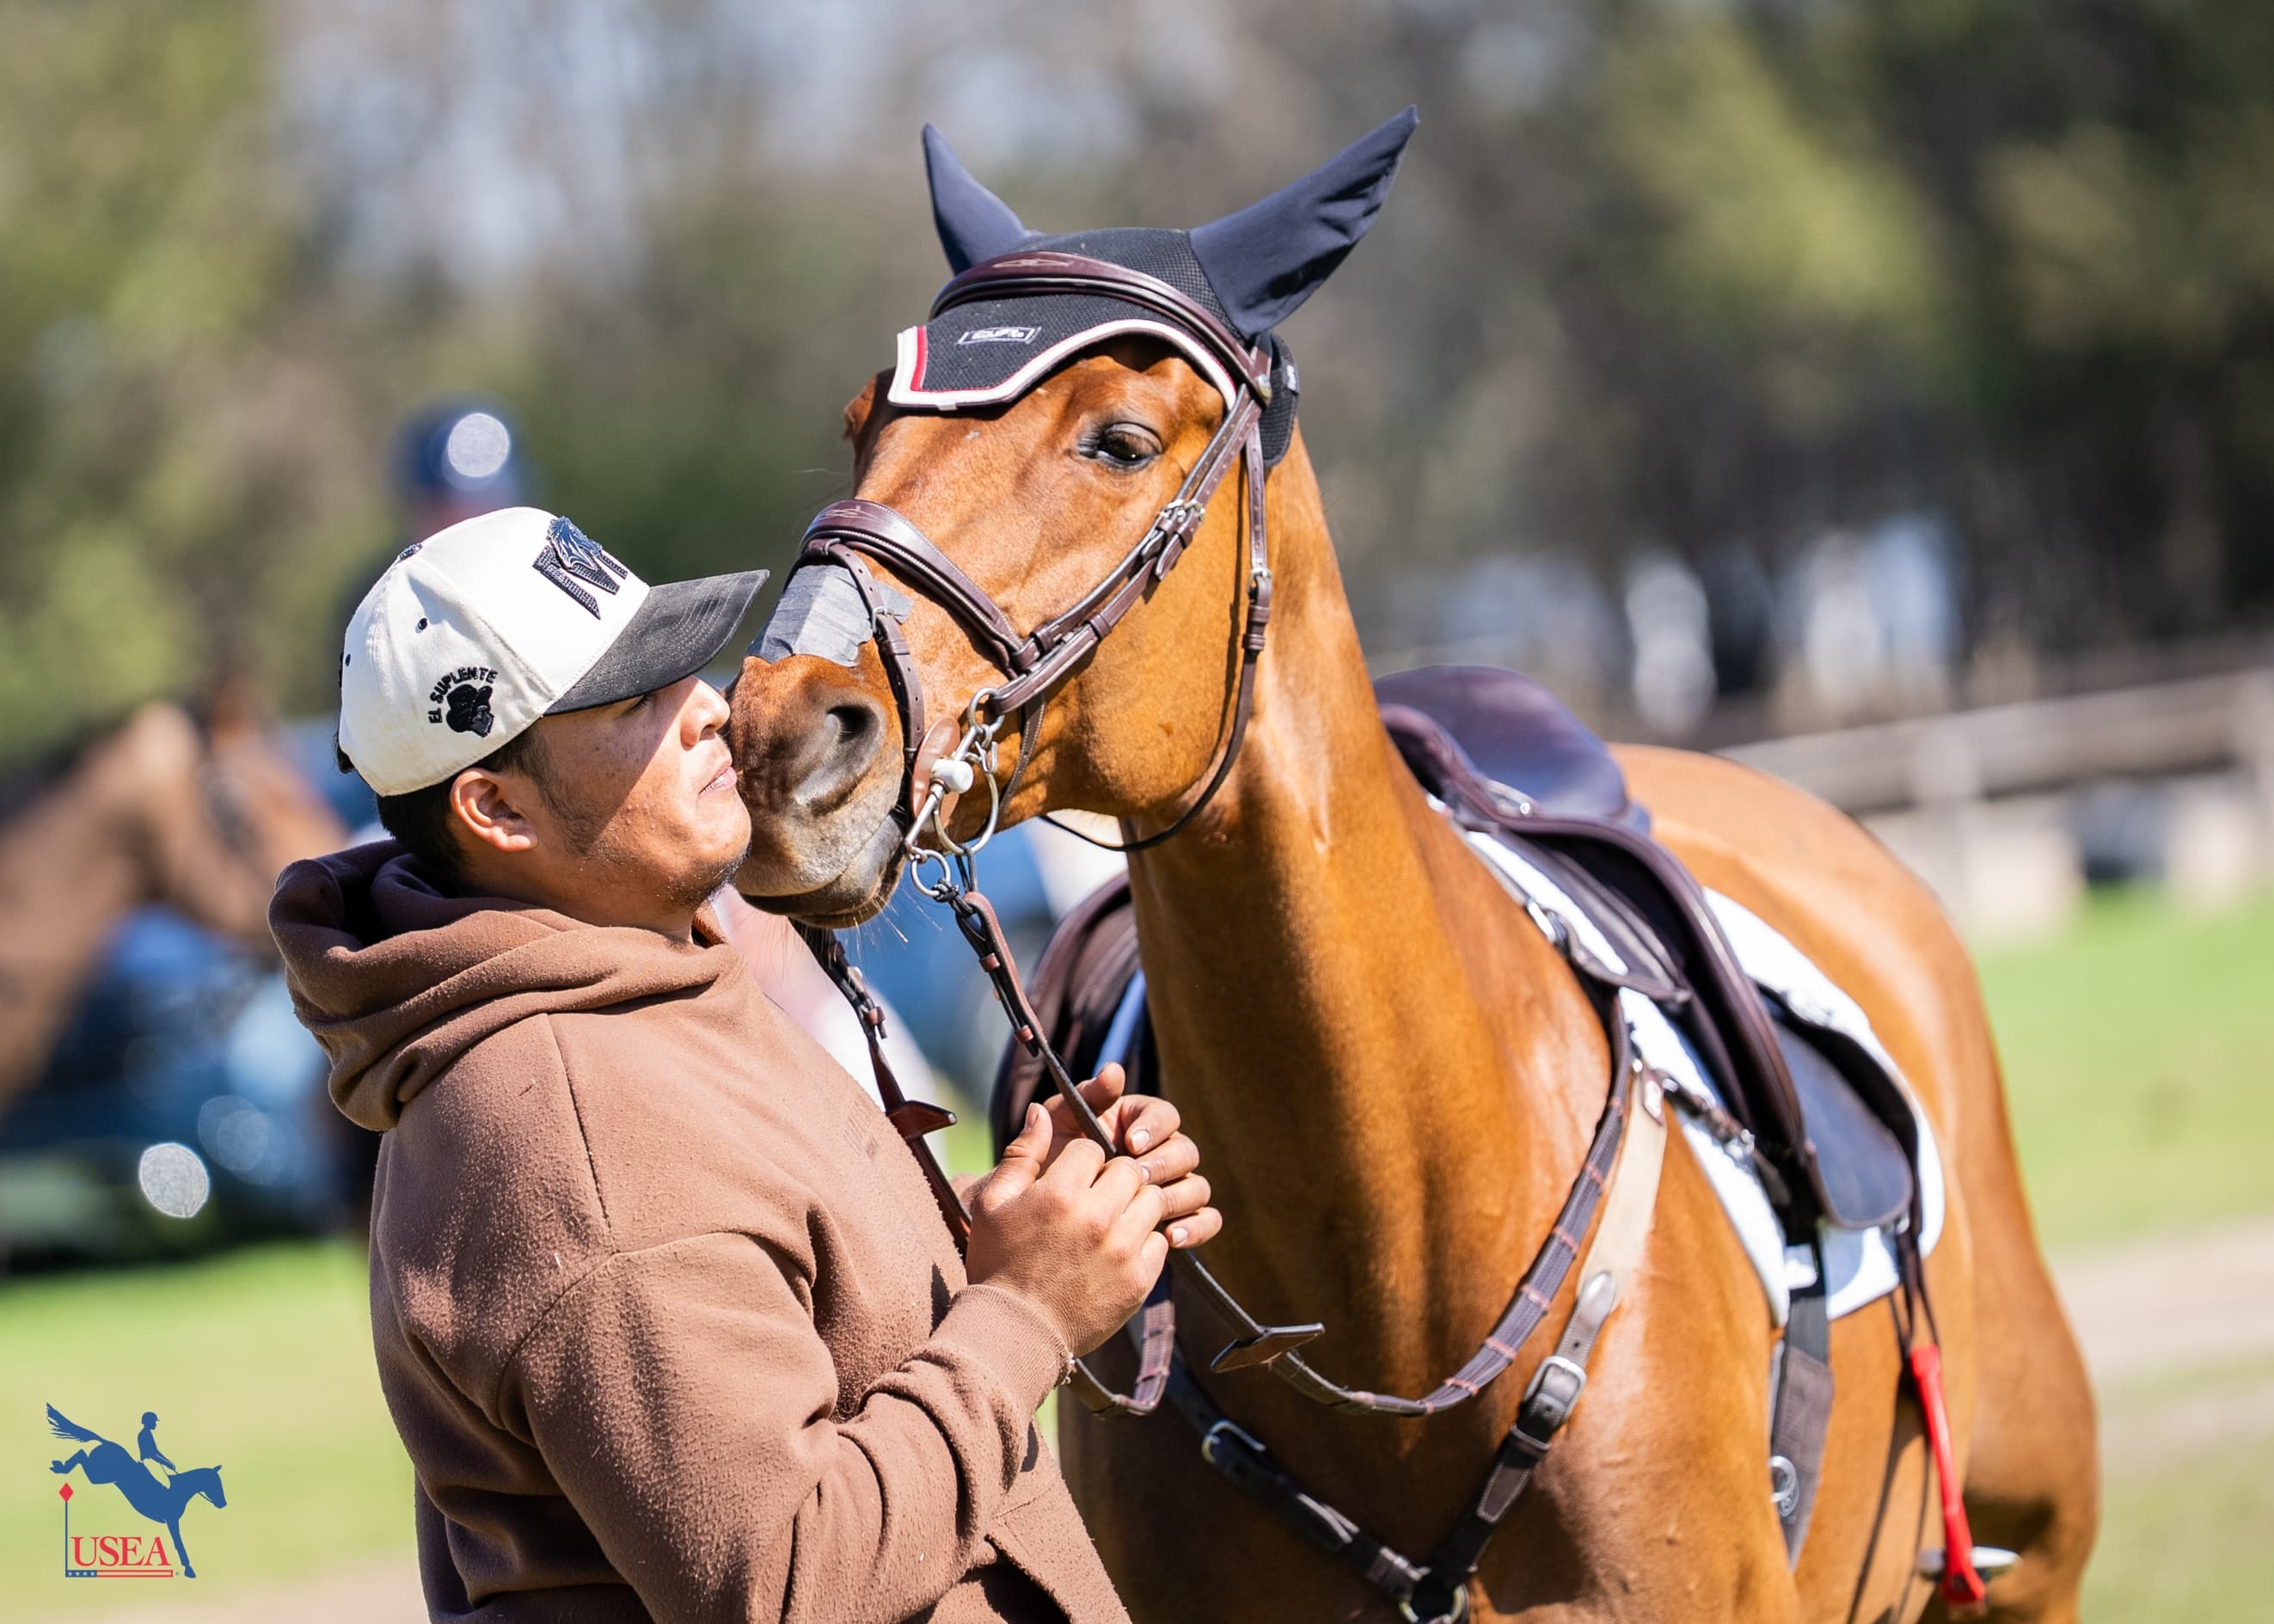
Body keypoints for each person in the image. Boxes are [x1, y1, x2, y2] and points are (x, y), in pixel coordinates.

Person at [272, 506, 1215, 1623]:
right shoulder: (577, 1140)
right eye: (636, 702)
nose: (710, 709)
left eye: (683, 669)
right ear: (496, 807)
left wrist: (1017, 1225)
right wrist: (1024, 1309)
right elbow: (785, 1582)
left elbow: (763, 1291)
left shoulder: (621, 979)